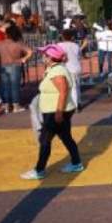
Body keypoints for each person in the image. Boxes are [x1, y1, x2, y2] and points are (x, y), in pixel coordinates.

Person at [21, 44, 83, 180]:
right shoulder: (54, 69)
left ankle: (39, 170)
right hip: (57, 110)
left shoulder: (57, 71)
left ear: (51, 57)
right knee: (66, 137)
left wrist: (59, 112)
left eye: (45, 55)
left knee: (45, 140)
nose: (43, 57)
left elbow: (63, 91)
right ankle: (76, 163)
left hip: (55, 111)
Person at [0, 23, 33, 114]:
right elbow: (30, 51)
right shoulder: (18, 44)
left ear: (6, 34)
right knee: (14, 86)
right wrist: (23, 59)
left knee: (5, 86)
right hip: (15, 64)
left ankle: (7, 106)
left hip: (3, 65)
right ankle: (16, 105)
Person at [58, 29, 83, 110]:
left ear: (62, 37)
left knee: (69, 88)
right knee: (76, 87)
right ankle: (78, 103)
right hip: (76, 67)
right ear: (72, 37)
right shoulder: (76, 45)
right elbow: (79, 56)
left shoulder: (59, 45)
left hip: (66, 68)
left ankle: (74, 105)